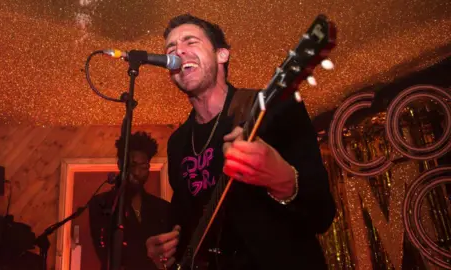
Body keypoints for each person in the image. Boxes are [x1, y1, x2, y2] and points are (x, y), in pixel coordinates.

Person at [145, 14, 336, 270]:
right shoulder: (178, 142)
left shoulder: (274, 109)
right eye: (171, 48)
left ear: (222, 54)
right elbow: (185, 215)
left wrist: (281, 178)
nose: (178, 50)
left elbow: (322, 213)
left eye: (190, 42)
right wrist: (167, 249)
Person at [89, 131, 171, 270]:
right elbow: (106, 251)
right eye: (132, 165)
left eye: (144, 167)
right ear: (120, 164)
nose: (137, 172)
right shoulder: (101, 204)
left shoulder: (162, 208)